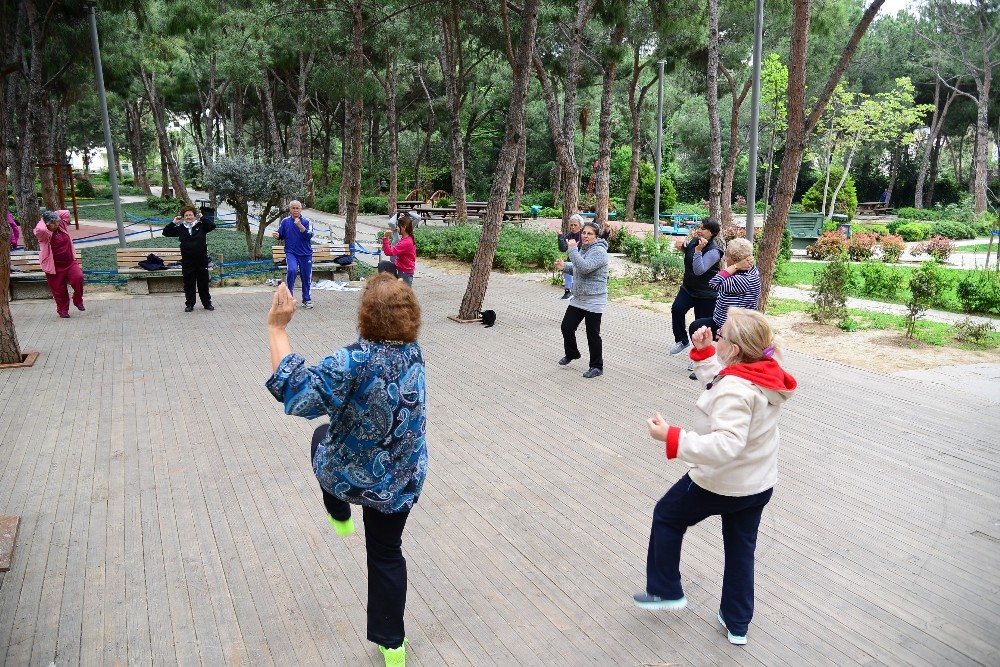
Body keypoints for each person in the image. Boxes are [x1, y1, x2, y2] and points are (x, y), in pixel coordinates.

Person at [265, 274, 426, 667]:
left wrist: (277, 328)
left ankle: (338, 513)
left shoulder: (353, 360)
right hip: (399, 477)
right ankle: (393, 646)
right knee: (386, 554)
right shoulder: (414, 352)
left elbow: (297, 395)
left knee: (320, 439)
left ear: (365, 315)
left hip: (351, 476)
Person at [635, 308, 797, 646]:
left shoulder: (736, 387)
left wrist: (671, 436)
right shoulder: (764, 372)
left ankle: (665, 590)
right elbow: (722, 387)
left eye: (720, 335)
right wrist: (706, 353)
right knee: (741, 550)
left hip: (722, 482)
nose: (715, 334)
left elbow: (725, 443)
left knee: (666, 515)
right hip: (757, 483)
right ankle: (737, 624)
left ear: (734, 349)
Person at [686, 237, 761, 380]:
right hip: (726, 322)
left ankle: (711, 364)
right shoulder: (752, 271)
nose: (725, 258)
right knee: (696, 327)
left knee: (700, 331)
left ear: (733, 260)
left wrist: (735, 266)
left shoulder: (740, 280)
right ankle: (708, 360)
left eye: (727, 256)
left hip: (733, 327)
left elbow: (714, 282)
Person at [555, 220, 609, 379]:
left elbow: (585, 268)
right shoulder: (584, 249)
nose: (585, 236)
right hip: (579, 298)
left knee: (592, 334)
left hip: (594, 299)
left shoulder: (599, 251)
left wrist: (572, 250)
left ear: (596, 237)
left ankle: (596, 366)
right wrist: (564, 266)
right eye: (584, 233)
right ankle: (572, 353)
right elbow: (578, 267)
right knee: (567, 327)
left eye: (589, 234)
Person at [668, 218, 722, 356]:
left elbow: (699, 270)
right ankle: (682, 341)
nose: (699, 230)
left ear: (712, 233)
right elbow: (688, 253)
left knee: (700, 326)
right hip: (688, 288)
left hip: (706, 294)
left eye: (703, 229)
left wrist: (698, 250)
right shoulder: (694, 241)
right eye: (699, 227)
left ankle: (701, 354)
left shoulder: (714, 251)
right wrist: (682, 246)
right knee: (677, 309)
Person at [162, 204, 216, 312]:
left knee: (203, 283)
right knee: (189, 284)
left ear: (194, 215)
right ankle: (190, 304)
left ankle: (207, 303)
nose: (188, 217)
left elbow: (212, 226)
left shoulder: (201, 226)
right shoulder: (181, 228)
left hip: (201, 261)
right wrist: (174, 222)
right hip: (187, 261)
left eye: (190, 215)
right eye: (186, 215)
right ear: (183, 217)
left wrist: (202, 218)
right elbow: (166, 232)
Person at [33, 210, 84, 318]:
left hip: (69, 262)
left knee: (78, 278)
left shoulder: (61, 225)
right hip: (54, 266)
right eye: (54, 223)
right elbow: (40, 229)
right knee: (59, 290)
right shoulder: (43, 234)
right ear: (47, 224)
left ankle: (78, 300)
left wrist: (53, 215)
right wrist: (43, 218)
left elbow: (66, 213)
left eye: (57, 221)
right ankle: (63, 310)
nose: (57, 224)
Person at [272, 200, 315, 309]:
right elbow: (281, 234)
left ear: (301, 209)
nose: (295, 210)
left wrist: (300, 225)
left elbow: (309, 236)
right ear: (290, 209)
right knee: (291, 270)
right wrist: (277, 235)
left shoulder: (307, 221)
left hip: (305, 254)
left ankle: (307, 299)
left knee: (306, 277)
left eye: (297, 208)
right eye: (293, 208)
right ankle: (289, 299)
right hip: (291, 253)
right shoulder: (285, 221)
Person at [380, 211, 417, 286]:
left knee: (403, 293)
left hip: (405, 272)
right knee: (383, 264)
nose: (397, 228)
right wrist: (400, 218)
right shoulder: (406, 237)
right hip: (399, 267)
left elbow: (389, 252)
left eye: (398, 226)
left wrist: (386, 237)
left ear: (403, 227)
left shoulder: (406, 242)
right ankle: (387, 284)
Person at [557, 214, 583, 299]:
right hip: (571, 259)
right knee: (566, 268)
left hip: (582, 260)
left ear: (580, 225)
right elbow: (563, 248)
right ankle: (567, 291)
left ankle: (576, 293)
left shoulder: (584, 235)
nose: (573, 227)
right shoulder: (569, 235)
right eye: (571, 225)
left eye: (575, 225)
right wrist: (560, 236)